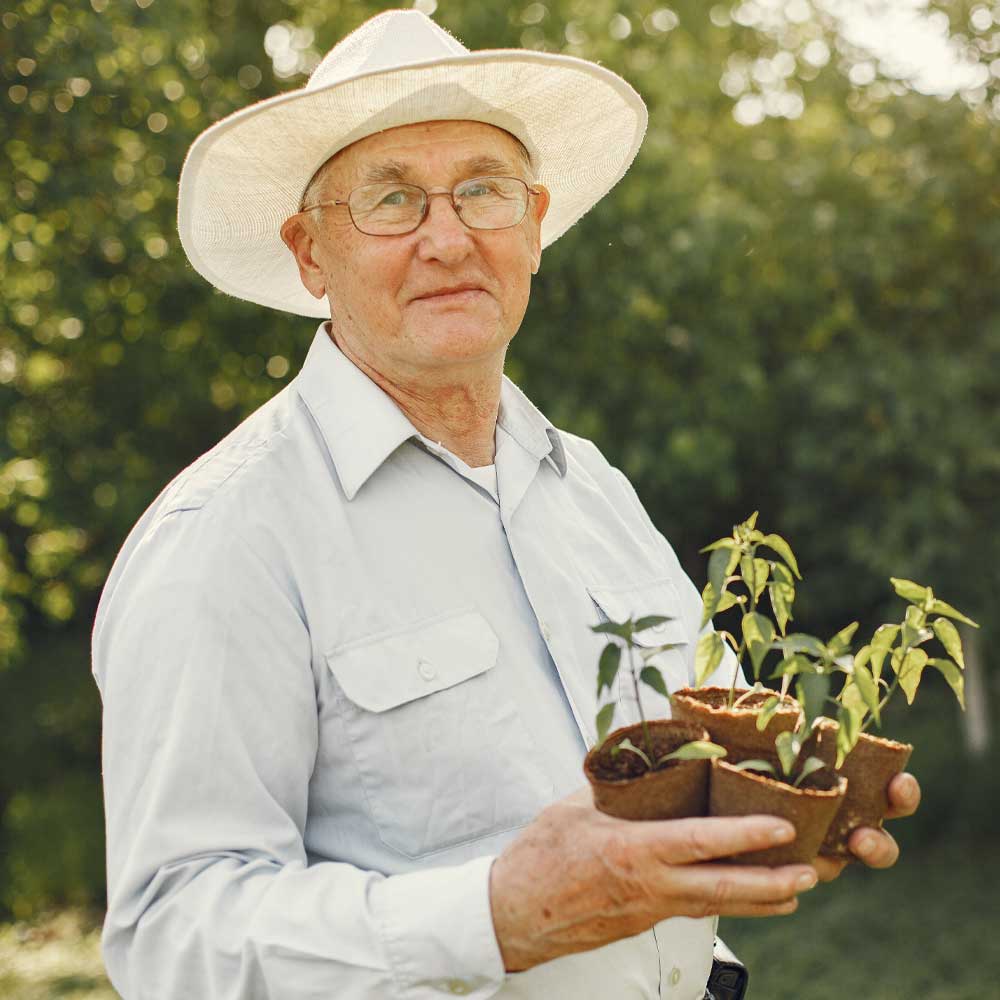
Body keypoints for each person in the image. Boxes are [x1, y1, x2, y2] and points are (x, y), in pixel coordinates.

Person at [91, 10, 920, 999]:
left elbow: (695, 762)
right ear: (311, 253)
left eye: (482, 191)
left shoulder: (593, 490)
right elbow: (173, 938)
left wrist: (781, 808)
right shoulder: (227, 535)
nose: (447, 238)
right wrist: (497, 915)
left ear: (532, 225)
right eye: (393, 200)